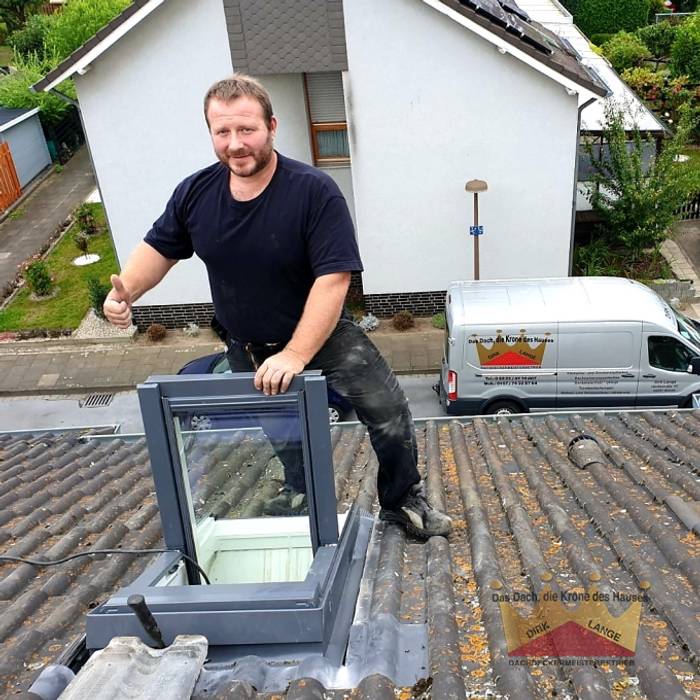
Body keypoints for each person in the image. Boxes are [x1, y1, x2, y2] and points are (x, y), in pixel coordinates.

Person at [103, 74, 451, 539]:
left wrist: (295, 353)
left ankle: (403, 498)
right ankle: (301, 497)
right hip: (247, 346)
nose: (235, 144)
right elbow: (159, 249)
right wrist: (125, 291)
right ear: (210, 134)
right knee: (286, 433)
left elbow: (334, 280)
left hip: (321, 334)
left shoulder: (313, 192)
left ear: (271, 126)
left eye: (246, 130)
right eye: (222, 132)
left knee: (389, 412)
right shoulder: (195, 194)